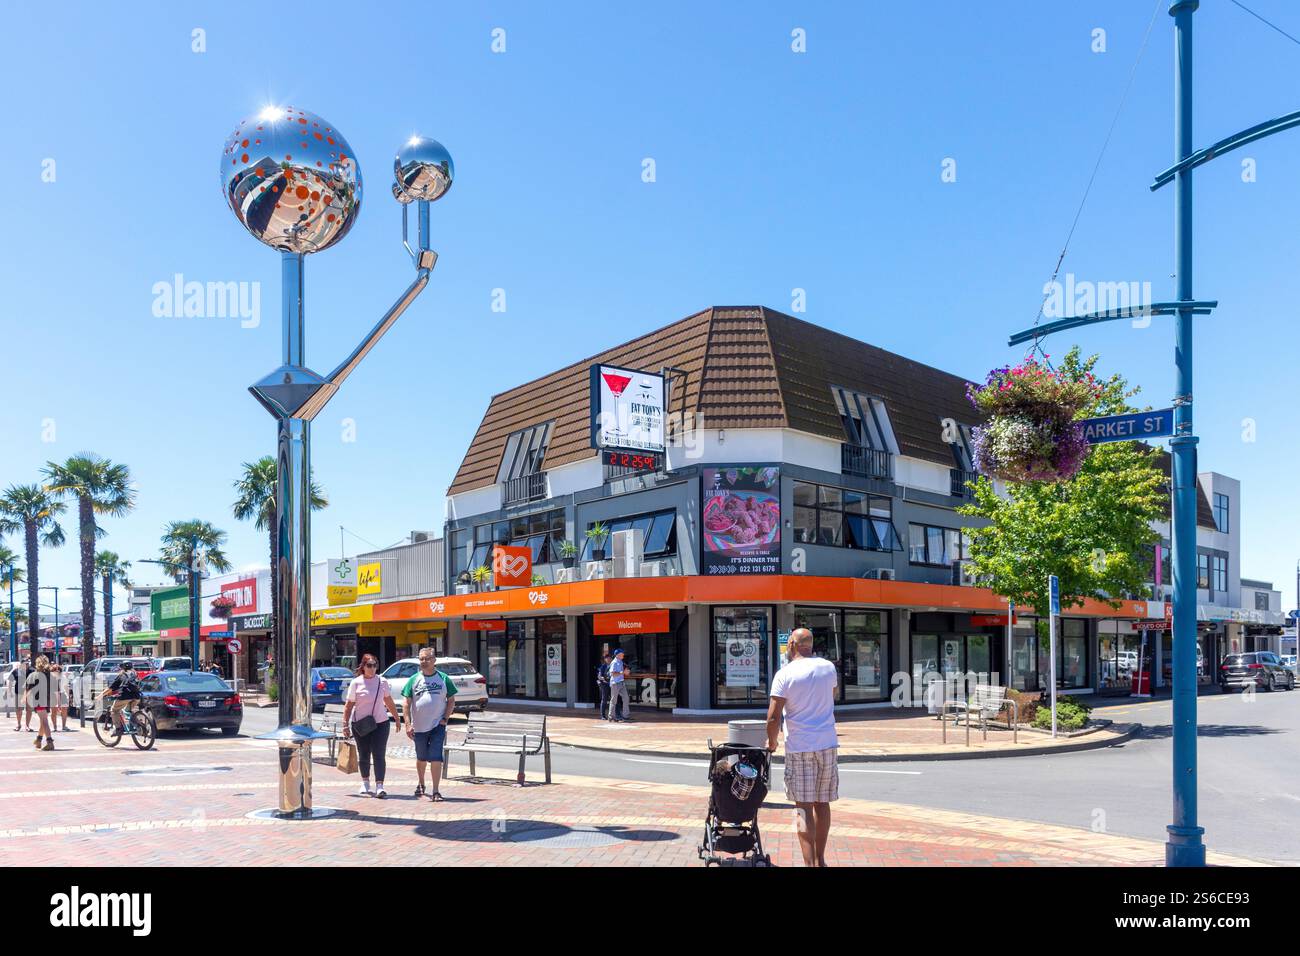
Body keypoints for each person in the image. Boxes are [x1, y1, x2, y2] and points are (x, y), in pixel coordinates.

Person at [766, 627, 839, 867]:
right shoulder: (828, 667)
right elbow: (833, 694)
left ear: (793, 645)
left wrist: (773, 741)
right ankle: (820, 859)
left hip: (799, 746)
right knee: (823, 803)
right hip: (827, 743)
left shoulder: (784, 674)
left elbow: (774, 717)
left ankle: (809, 864)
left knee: (803, 807)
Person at [342, 653, 401, 798]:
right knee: (364, 753)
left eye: (375, 665)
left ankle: (380, 786)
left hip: (380, 723)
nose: (372, 668)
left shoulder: (382, 681)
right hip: (361, 724)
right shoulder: (356, 683)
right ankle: (365, 782)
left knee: (379, 754)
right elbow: (349, 705)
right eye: (369, 665)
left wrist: (397, 718)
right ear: (363, 667)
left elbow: (388, 700)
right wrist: (345, 725)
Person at [401, 647, 456, 801]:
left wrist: (445, 718)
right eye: (421, 659)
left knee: (436, 757)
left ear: (434, 660)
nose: (424, 662)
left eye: (427, 659)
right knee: (421, 758)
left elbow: (451, 700)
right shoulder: (413, 679)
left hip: (438, 725)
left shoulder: (444, 679)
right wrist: (407, 723)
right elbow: (406, 702)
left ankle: (436, 791)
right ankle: (421, 783)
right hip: (419, 727)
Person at [101, 660, 141, 735]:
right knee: (128, 711)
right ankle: (135, 725)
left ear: (122, 668)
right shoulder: (134, 674)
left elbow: (111, 688)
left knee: (114, 710)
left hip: (125, 697)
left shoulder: (121, 675)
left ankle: (118, 729)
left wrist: (100, 695)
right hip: (136, 696)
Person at [27, 656, 55, 751]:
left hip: (38, 700)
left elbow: (28, 688)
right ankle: (38, 740)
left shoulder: (35, 675)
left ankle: (49, 741)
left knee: (44, 721)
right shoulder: (50, 675)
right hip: (47, 700)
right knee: (43, 720)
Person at [608, 649, 631, 722]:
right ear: (618, 655)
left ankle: (625, 716)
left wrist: (626, 672)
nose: (623, 655)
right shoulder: (614, 662)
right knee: (614, 700)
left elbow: (623, 672)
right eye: (622, 654)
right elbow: (613, 674)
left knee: (626, 698)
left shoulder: (621, 661)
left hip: (621, 682)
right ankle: (611, 716)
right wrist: (622, 673)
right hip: (615, 683)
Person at [11, 658, 32, 732]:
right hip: (19, 693)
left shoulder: (32, 671)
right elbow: (10, 680)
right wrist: (9, 690)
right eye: (25, 663)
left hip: (29, 693)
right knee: (19, 710)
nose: (26, 665)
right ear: (21, 664)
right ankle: (19, 724)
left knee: (29, 710)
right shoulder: (16, 671)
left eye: (27, 663)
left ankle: (27, 726)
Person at [50, 662, 68, 731]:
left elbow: (66, 686)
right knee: (53, 711)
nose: (57, 671)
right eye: (55, 670)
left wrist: (68, 696)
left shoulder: (63, 677)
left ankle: (64, 726)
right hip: (53, 695)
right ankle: (55, 726)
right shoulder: (51, 678)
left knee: (64, 710)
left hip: (62, 693)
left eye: (58, 670)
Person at [595, 653, 612, 720]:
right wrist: (604, 678)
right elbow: (599, 676)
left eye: (610, 658)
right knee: (604, 699)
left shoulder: (613, 665)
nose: (608, 659)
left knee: (614, 700)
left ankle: (617, 714)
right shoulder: (603, 666)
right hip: (604, 684)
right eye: (607, 658)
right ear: (605, 659)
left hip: (612, 684)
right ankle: (603, 715)